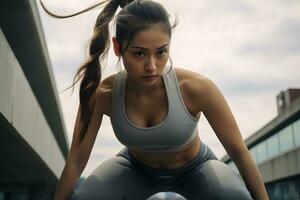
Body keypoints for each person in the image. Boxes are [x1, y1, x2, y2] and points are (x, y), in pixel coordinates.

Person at [40, 0, 269, 199]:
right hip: (134, 169)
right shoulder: (103, 94)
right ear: (118, 48)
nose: (151, 66)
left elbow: (239, 152)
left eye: (161, 52)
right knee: (87, 197)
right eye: (139, 53)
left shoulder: (197, 89)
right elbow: (75, 162)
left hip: (196, 168)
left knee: (234, 196)